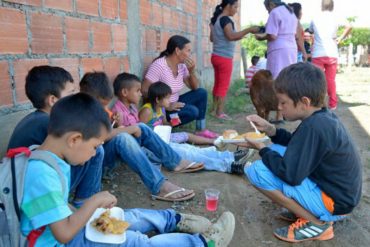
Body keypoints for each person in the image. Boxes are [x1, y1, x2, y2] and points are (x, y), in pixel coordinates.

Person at [20, 92, 236, 247]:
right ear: (75, 139)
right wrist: (93, 203)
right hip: (63, 242)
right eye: (95, 147)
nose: (95, 154)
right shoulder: (41, 175)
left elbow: (57, 205)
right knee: (132, 241)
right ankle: (202, 243)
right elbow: (64, 235)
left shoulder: (49, 160)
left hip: (66, 229)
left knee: (124, 217)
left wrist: (87, 214)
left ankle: (174, 220)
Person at [243, 63, 362, 242]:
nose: (279, 107)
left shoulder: (314, 126)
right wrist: (270, 129)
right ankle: (305, 209)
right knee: (277, 149)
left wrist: (262, 149)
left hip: (334, 204)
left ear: (304, 102)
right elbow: (295, 144)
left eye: (283, 102)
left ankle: (316, 223)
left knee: (256, 171)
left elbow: (290, 175)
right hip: (341, 198)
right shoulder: (321, 118)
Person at [79, 72, 203, 202]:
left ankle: (175, 162)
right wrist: (127, 129)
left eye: (105, 105)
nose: (104, 108)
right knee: (124, 137)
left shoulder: (99, 109)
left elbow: (106, 130)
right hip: (97, 162)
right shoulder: (81, 112)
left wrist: (114, 123)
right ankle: (159, 186)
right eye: (101, 104)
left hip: (105, 154)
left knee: (142, 127)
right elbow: (99, 136)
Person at [113, 73, 254, 175]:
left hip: (157, 141)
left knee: (189, 149)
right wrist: (118, 125)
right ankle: (229, 165)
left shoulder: (131, 108)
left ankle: (229, 157)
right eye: (137, 91)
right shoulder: (119, 112)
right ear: (125, 92)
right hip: (147, 148)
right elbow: (128, 137)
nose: (140, 94)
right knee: (186, 154)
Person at [7, 65, 102, 207]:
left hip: (25, 185)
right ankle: (84, 200)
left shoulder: (36, 119)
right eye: (71, 94)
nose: (75, 99)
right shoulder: (48, 123)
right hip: (31, 191)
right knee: (96, 150)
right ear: (52, 100)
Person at [142, 35, 218, 139]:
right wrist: (165, 106)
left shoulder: (181, 66)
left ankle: (201, 129)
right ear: (177, 50)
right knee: (192, 111)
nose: (189, 54)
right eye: (188, 51)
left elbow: (194, 87)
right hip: (162, 110)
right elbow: (144, 90)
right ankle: (165, 126)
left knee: (201, 93)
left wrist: (191, 71)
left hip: (175, 104)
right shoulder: (159, 65)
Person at [210, 0, 259, 120]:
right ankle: (220, 113)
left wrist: (240, 35)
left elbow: (212, 38)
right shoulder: (225, 20)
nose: (236, 10)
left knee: (217, 84)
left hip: (216, 56)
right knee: (223, 86)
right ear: (228, 6)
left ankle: (214, 110)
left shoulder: (216, 19)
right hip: (224, 58)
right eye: (235, 7)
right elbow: (231, 36)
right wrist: (249, 29)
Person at [139, 81, 216, 146]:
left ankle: (213, 141)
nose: (170, 100)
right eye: (167, 98)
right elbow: (139, 130)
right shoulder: (147, 111)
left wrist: (172, 124)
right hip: (152, 141)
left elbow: (165, 124)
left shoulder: (162, 109)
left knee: (186, 135)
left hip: (162, 137)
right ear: (157, 99)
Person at [308, 0, 352, 110]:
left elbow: (310, 30)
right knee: (330, 80)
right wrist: (340, 38)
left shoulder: (315, 17)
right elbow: (349, 26)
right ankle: (332, 104)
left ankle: (317, 103)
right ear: (332, 6)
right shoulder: (336, 17)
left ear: (321, 6)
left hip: (318, 53)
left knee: (316, 79)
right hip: (332, 53)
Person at [255, 0, 298, 79]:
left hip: (278, 50)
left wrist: (261, 37)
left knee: (276, 77)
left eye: (268, 9)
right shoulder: (291, 12)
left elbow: (272, 36)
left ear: (271, 4)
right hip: (292, 48)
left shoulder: (275, 12)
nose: (268, 12)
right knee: (288, 77)